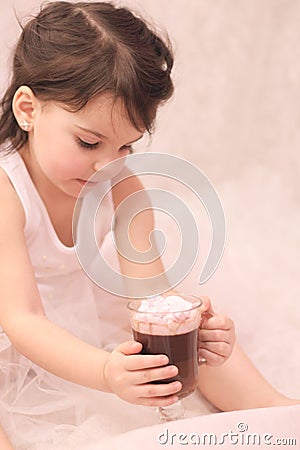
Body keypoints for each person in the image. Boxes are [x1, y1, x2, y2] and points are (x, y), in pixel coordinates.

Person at [0, 2, 297, 449]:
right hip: (14, 320)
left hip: (70, 311)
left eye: (125, 147)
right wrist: (104, 372)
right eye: (88, 142)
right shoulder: (7, 192)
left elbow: (150, 297)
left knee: (181, 322)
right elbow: (22, 319)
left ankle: (274, 409)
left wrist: (190, 330)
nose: (106, 165)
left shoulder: (121, 187)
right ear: (28, 109)